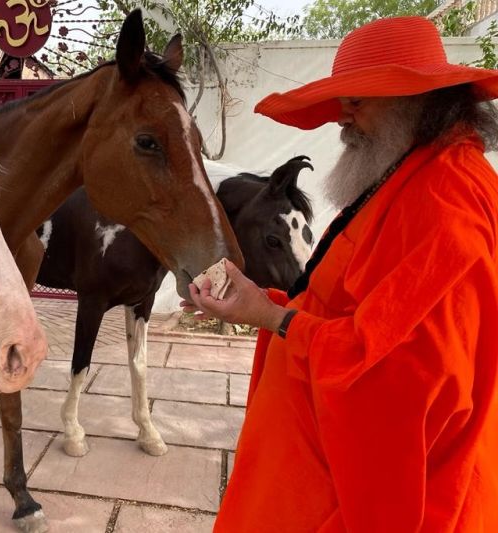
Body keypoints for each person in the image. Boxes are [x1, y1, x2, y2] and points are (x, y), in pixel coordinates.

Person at [185, 16, 498, 532]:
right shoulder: (412, 170)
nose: (341, 120)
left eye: (356, 103)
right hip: (310, 462)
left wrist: (276, 319)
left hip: (359, 496)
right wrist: (259, 302)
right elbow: (347, 305)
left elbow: (405, 376)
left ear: (415, 101)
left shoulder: (449, 195)